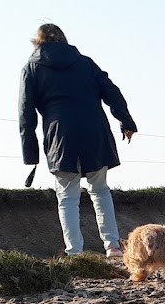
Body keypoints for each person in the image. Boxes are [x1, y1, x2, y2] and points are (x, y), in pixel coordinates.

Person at [18, 24, 137, 258]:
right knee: (100, 189)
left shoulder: (31, 68)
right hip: (94, 129)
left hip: (60, 134)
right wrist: (126, 122)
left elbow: (26, 114)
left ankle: (75, 252)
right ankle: (112, 246)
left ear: (37, 42)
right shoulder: (85, 62)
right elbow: (112, 92)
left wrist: (30, 155)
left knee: (67, 195)